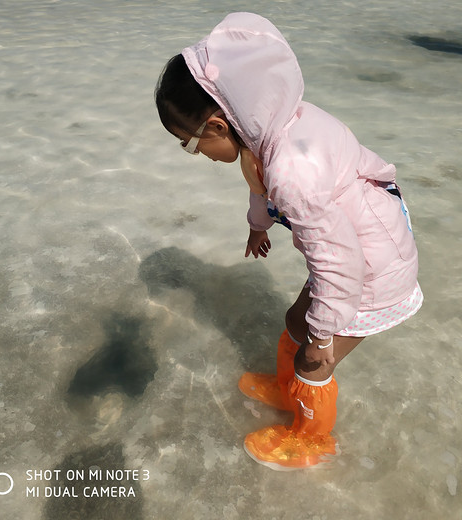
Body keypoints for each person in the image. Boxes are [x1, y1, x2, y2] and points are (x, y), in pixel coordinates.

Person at [154, 12, 422, 470]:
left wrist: (322, 338)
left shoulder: (292, 169)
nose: (195, 153)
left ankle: (311, 440)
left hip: (370, 271)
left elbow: (337, 262)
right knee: (295, 322)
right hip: (354, 254)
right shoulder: (266, 129)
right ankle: (287, 389)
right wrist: (258, 224)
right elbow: (258, 184)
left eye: (189, 144)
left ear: (218, 126)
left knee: (313, 359)